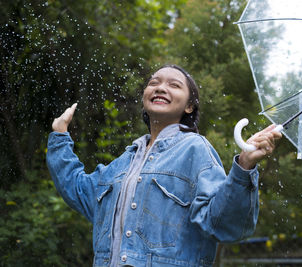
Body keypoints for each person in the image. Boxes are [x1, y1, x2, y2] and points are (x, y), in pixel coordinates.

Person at [46, 64, 282, 267]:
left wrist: (244, 165)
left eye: (174, 85)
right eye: (154, 83)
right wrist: (59, 136)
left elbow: (226, 225)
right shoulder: (124, 163)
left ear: (189, 106)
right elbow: (77, 189)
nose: (160, 87)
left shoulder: (195, 149)